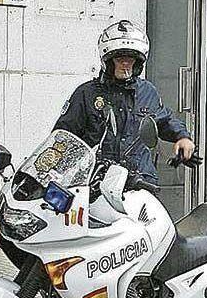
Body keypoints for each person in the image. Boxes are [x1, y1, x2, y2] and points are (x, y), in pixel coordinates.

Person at [54, 20, 196, 185]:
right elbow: (63, 136)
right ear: (108, 60)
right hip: (97, 181)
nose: (125, 63)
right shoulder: (87, 93)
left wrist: (182, 137)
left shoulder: (147, 91)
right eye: (120, 58)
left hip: (140, 179)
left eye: (131, 59)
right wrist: (48, 169)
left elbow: (164, 120)